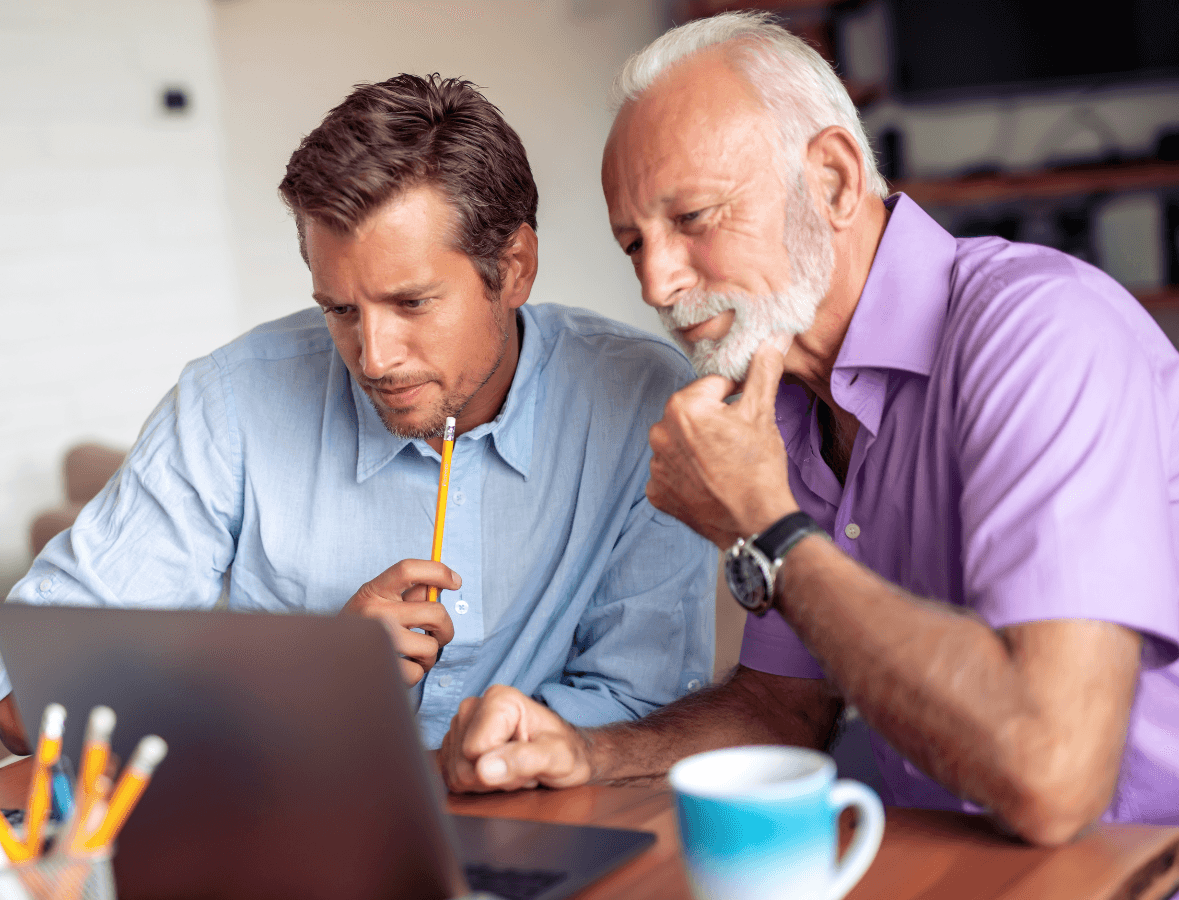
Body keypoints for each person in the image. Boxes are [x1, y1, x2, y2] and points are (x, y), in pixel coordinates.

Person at [439, 13, 1179, 843]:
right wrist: (587, 752)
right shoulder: (782, 403)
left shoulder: (1043, 334)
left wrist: (767, 526)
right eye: (633, 243)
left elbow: (1051, 774)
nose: (656, 282)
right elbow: (783, 708)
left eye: (693, 219)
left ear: (831, 180)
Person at [0, 74, 715, 770]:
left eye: (412, 302)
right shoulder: (229, 403)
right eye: (339, 309)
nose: (374, 357)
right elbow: (22, 704)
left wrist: (505, 753)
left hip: (546, 835)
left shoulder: (641, 400)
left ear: (514, 266)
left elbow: (641, 700)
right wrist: (306, 670)